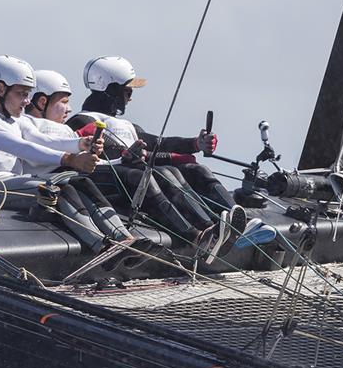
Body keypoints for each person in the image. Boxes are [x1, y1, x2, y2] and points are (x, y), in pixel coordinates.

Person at [0, 55, 145, 269]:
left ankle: (123, 238)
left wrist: (80, 144)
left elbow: (44, 141)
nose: (27, 101)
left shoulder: (15, 120)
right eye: (21, 94)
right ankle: (101, 246)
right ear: (0, 89)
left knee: (80, 182)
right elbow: (21, 147)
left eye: (28, 94)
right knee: (56, 188)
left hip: (12, 183)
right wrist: (70, 159)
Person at [66, 56, 246, 262]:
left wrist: (196, 143)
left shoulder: (126, 125)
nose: (130, 98)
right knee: (157, 174)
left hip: (132, 174)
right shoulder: (82, 121)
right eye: (128, 91)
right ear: (111, 90)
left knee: (196, 170)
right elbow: (89, 155)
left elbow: (159, 143)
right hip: (110, 181)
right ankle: (198, 236)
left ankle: (232, 224)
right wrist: (125, 157)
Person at [21, 69, 146, 247]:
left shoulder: (65, 129)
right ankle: (100, 244)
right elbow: (37, 150)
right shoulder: (26, 123)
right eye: (64, 102)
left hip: (66, 179)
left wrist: (122, 160)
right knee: (68, 187)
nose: (69, 108)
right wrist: (77, 149)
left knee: (84, 183)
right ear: (42, 102)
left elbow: (86, 161)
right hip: (41, 184)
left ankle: (123, 238)